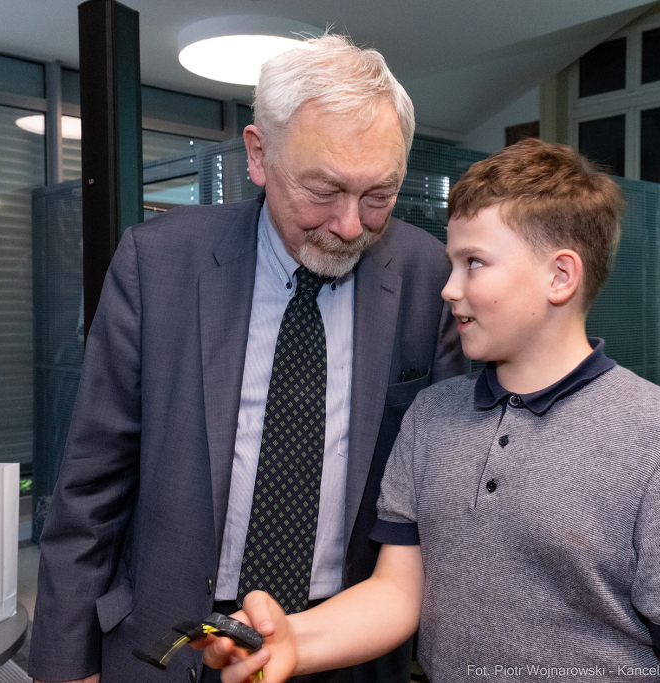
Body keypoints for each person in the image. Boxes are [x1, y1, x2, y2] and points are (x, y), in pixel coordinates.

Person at [201, 139, 660, 683]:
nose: (447, 289)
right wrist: (296, 640)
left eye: (474, 263)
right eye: (452, 263)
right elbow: (398, 592)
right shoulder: (431, 417)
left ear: (560, 276)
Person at [27, 34, 464, 683]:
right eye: (323, 189)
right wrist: (66, 665)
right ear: (259, 155)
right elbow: (92, 485)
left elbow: (437, 497)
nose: (350, 224)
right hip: (172, 642)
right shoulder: (160, 263)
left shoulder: (429, 276)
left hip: (346, 642)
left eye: (379, 194)